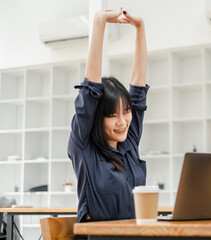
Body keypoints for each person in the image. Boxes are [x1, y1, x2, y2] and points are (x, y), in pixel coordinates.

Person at [67, 7, 148, 226]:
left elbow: (138, 89)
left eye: (126, 111)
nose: (123, 122)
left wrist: (140, 29)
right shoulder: (84, 147)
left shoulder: (129, 142)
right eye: (113, 115)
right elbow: (90, 89)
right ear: (97, 117)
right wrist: (99, 22)